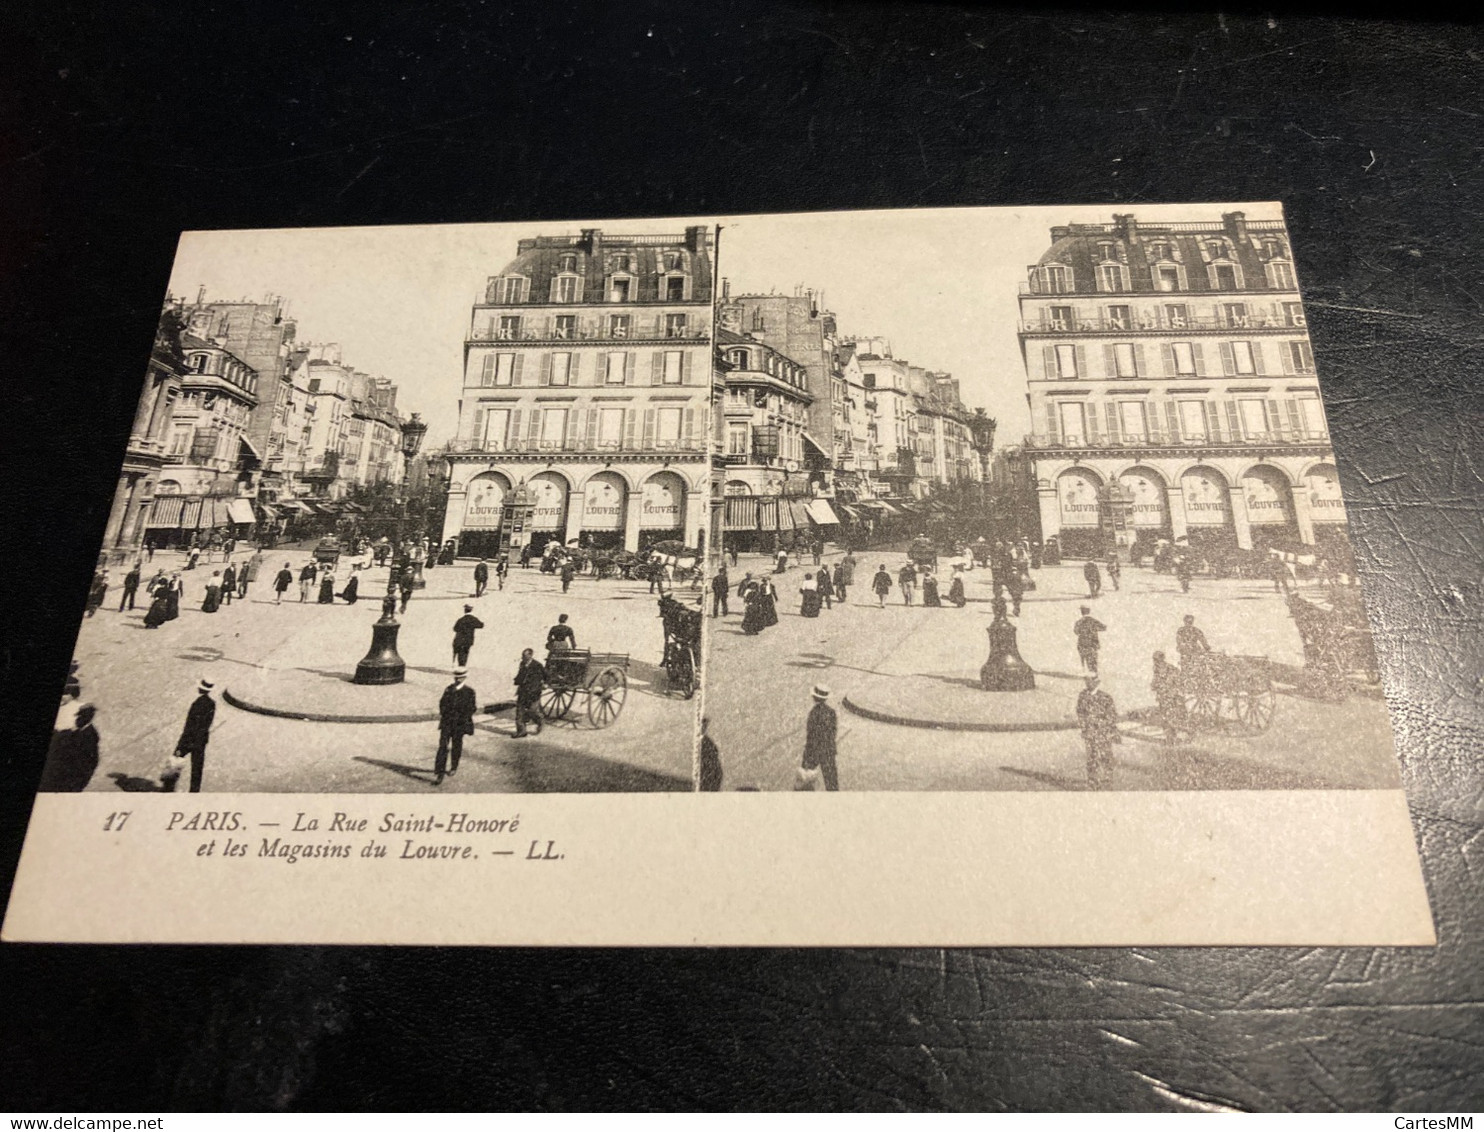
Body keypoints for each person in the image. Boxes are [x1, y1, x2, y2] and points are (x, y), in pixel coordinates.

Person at [38, 703, 100, 792]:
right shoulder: (78, 732)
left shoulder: (89, 736)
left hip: (72, 779)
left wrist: (79, 781)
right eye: (77, 717)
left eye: (80, 717)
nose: (77, 719)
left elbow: (89, 762)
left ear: (87, 718)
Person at [169, 680, 217, 793]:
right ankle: (194, 791)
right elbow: (207, 723)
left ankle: (169, 788)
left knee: (175, 761)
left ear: (200, 689)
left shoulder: (196, 704)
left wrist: (181, 743)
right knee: (197, 767)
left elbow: (189, 726)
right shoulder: (212, 703)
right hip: (201, 740)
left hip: (190, 739)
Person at [432, 667, 477, 786]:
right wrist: (445, 714)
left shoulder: (469, 692)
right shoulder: (448, 689)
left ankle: (454, 766)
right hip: (447, 722)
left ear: (465, 678)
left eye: (461, 677)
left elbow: (472, 708)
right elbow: (442, 703)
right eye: (456, 677)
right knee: (442, 746)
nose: (458, 679)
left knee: (456, 745)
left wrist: (461, 717)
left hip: (459, 725)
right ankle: (439, 773)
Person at [1076, 676, 1120, 788]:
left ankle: (1107, 779)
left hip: (1103, 732)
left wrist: (1107, 728)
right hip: (1090, 732)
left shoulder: (1106, 697)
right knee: (1091, 757)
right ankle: (1092, 780)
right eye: (1086, 680)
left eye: (1090, 681)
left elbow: (1112, 715)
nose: (1087, 683)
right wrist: (1084, 727)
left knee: (1106, 756)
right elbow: (1080, 712)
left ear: (1097, 682)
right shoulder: (1082, 696)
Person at [797, 684, 839, 791]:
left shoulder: (814, 713)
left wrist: (806, 755)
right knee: (831, 781)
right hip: (828, 749)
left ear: (815, 697)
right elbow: (833, 732)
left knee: (805, 782)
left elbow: (811, 735)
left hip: (814, 750)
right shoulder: (831, 712)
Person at [1151, 651, 1186, 745]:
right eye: (1155, 660)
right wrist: (1155, 685)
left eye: (1156, 660)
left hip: (1170, 697)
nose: (1155, 662)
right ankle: (1170, 737)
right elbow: (1156, 682)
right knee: (1166, 718)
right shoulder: (1157, 669)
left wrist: (1169, 689)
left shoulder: (1170, 669)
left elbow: (1177, 680)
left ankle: (1172, 738)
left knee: (1170, 717)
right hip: (1164, 697)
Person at [512, 648, 545, 738]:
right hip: (523, 691)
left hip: (533, 692)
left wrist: (542, 685)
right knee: (519, 712)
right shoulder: (522, 664)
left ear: (530, 655)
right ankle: (521, 731)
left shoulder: (537, 665)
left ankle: (540, 721)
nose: (522, 657)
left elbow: (545, 676)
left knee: (532, 710)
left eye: (524, 655)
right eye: (522, 655)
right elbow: (520, 675)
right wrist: (516, 680)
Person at [1074, 606, 1107, 674]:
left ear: (1082, 612)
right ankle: (1094, 674)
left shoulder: (1079, 622)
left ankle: (1086, 673)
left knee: (1083, 658)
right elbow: (1104, 628)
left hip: (1082, 643)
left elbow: (1076, 631)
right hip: (1093, 643)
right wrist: (1094, 630)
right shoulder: (1093, 621)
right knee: (1093, 659)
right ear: (1089, 611)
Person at [698, 716, 723, 791]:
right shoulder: (702, 742)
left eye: (704, 725)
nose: (704, 727)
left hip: (709, 778)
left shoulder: (708, 743)